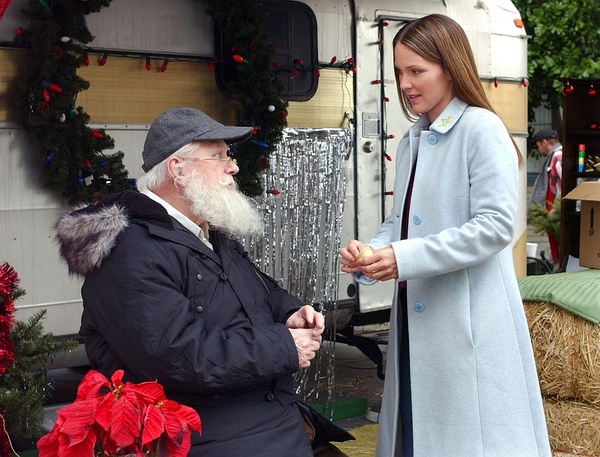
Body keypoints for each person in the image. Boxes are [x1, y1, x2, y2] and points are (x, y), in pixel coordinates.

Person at [54, 107, 351, 456]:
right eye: (219, 156)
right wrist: (285, 347)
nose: (233, 166)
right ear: (178, 170)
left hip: (271, 423)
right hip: (208, 438)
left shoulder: (205, 233)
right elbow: (179, 356)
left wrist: (289, 313)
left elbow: (259, 290)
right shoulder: (130, 251)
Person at [339, 14, 551, 457]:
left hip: (466, 322)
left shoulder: (482, 128)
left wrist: (404, 257)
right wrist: (371, 252)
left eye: (417, 71)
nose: (406, 84)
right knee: (419, 436)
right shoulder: (413, 139)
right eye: (399, 72)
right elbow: (402, 223)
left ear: (450, 68)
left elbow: (496, 227)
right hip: (419, 322)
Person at [529, 127, 563, 262]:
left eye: (538, 145)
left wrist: (555, 209)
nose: (538, 149)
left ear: (544, 142)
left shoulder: (557, 156)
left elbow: (566, 185)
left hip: (557, 215)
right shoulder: (553, 157)